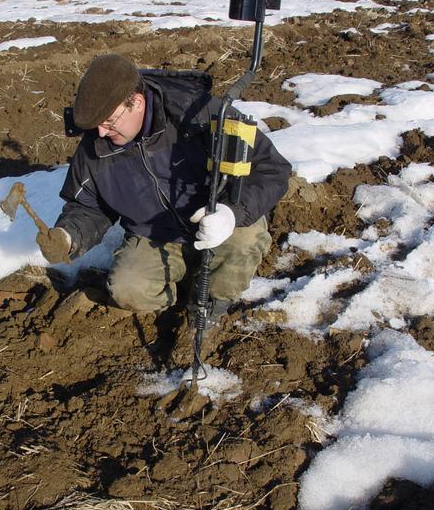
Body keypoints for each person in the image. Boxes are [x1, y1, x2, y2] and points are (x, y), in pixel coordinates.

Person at [40, 54, 291, 323]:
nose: (101, 133)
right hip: (157, 236)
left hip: (218, 222)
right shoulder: (95, 148)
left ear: (137, 102)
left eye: (109, 122)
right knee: (128, 289)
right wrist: (69, 235)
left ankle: (213, 304)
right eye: (96, 125)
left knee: (244, 240)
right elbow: (89, 206)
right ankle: (179, 293)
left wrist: (232, 213)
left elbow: (271, 168)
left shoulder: (200, 115)